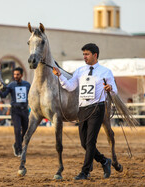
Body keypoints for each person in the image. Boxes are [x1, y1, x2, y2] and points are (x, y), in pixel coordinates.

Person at [53, 43, 116, 180]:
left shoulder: (106, 72)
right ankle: (105, 161)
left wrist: (110, 88)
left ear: (95, 55)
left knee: (90, 142)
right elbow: (70, 87)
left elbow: (115, 91)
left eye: (87, 54)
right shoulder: (80, 70)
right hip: (81, 109)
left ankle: (85, 171)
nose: (84, 57)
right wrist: (60, 76)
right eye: (83, 54)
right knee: (84, 143)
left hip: (97, 108)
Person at [0, 67, 31, 157]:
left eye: (17, 74)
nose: (15, 76)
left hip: (25, 110)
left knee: (26, 130)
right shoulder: (11, 85)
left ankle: (16, 144)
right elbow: (3, 95)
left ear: (21, 75)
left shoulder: (27, 85)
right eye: (14, 74)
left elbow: (32, 95)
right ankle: (19, 150)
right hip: (15, 110)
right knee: (17, 130)